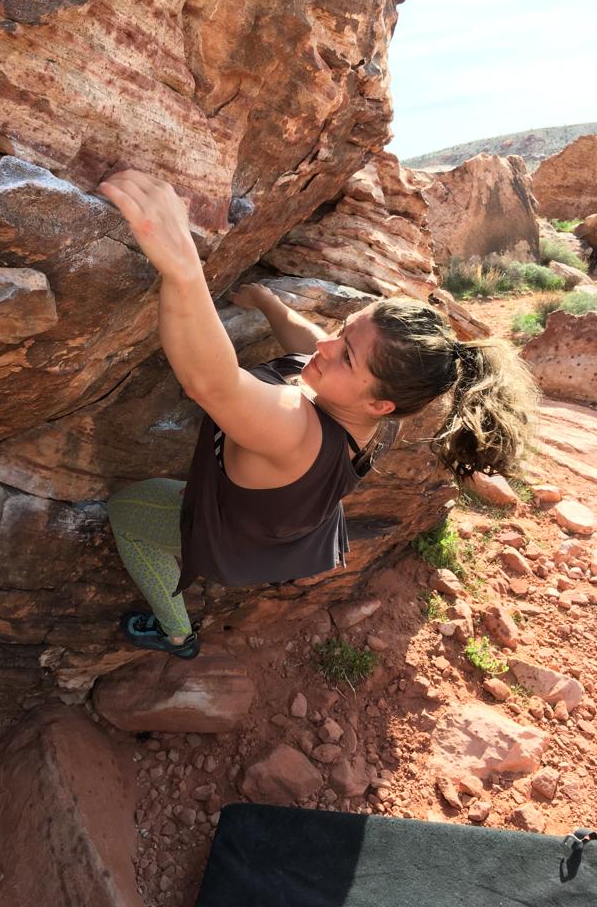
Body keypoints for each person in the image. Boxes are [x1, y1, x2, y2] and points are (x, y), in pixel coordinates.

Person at [100, 170, 539, 659]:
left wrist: (182, 266)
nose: (327, 347)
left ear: (379, 401)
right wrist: (269, 304)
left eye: (347, 355)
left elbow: (210, 382)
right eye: (344, 329)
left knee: (126, 509)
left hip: (226, 533)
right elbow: (313, 341)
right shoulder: (379, 416)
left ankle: (176, 634)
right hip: (284, 532)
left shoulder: (294, 429)